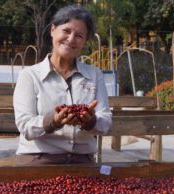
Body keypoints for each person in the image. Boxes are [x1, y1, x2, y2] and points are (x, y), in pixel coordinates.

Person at [13, 4, 112, 165]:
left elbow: (105, 121)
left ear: (85, 42)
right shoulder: (30, 76)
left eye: (79, 36)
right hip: (39, 159)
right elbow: (25, 125)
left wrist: (90, 121)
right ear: (53, 30)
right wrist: (53, 122)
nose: (71, 39)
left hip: (82, 160)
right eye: (66, 31)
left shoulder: (94, 75)